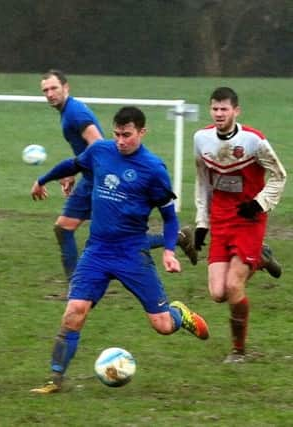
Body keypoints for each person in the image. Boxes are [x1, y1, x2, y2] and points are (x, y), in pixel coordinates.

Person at [29, 106, 209, 394]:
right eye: (117, 134)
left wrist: (169, 251)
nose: (121, 141)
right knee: (74, 311)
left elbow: (170, 217)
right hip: (97, 251)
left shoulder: (153, 169)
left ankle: (179, 315)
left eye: (127, 135)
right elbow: (74, 164)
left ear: (142, 132)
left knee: (162, 325)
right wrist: (43, 179)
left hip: (132, 253)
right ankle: (55, 379)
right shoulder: (101, 151)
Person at [40, 70, 198, 299]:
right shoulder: (68, 111)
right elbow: (89, 153)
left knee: (77, 230)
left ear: (66, 87)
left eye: (54, 88)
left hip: (98, 182)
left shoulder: (74, 113)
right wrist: (72, 172)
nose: (50, 94)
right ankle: (179, 237)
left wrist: (95, 178)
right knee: (81, 230)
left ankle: (76, 285)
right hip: (92, 177)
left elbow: (97, 143)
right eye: (45, 90)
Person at [193, 87, 286, 363]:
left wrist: (259, 204)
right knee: (218, 293)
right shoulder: (201, 139)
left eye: (224, 109)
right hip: (221, 219)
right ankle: (261, 257)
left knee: (234, 287)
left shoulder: (254, 141)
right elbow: (202, 180)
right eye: (215, 108)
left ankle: (238, 351)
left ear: (236, 111)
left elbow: (279, 176)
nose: (219, 113)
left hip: (249, 218)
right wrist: (201, 223)